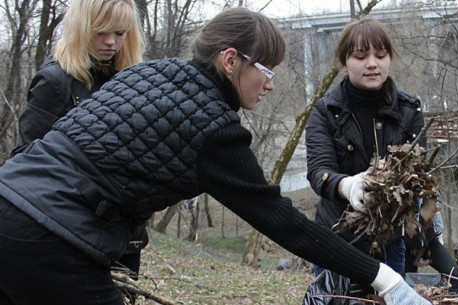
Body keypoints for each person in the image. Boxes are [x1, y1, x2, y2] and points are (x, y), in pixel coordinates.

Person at [0, 7, 431, 305]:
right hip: (48, 239)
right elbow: (283, 223)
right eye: (265, 71)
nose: (271, 85)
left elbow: (111, 177)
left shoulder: (149, 72)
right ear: (230, 61)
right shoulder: (214, 131)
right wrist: (386, 279)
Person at [10, 0, 147, 303]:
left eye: (120, 33)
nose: (111, 42)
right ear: (81, 28)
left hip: (121, 235)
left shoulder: (131, 81)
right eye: (101, 32)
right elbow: (23, 161)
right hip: (67, 234)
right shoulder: (55, 80)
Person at [305, 17, 426, 277]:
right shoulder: (326, 111)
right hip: (334, 240)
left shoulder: (409, 109)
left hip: (389, 243)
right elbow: (318, 171)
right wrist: (346, 186)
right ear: (344, 63)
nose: (372, 64)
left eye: (380, 55)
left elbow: (419, 171)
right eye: (360, 57)